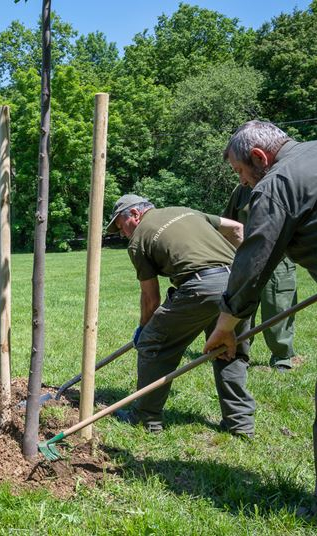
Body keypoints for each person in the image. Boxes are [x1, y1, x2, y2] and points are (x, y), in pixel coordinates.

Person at [204, 120, 317, 514]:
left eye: (239, 172)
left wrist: (225, 326)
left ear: (259, 158)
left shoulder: (275, 183)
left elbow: (254, 262)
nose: (243, 182)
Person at [105, 194, 255, 436]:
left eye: (122, 227)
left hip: (200, 288)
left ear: (134, 215)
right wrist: (246, 270)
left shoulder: (138, 240)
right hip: (238, 284)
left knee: (154, 345)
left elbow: (150, 299)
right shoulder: (185, 209)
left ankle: (146, 418)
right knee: (229, 350)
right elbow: (237, 228)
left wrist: (144, 331)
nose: (123, 234)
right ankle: (240, 424)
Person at [222, 184, 300, 371]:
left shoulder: (285, 185)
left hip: (280, 259)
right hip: (246, 259)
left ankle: (282, 356)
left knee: (278, 307)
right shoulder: (241, 190)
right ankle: (238, 353)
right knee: (240, 306)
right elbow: (228, 221)